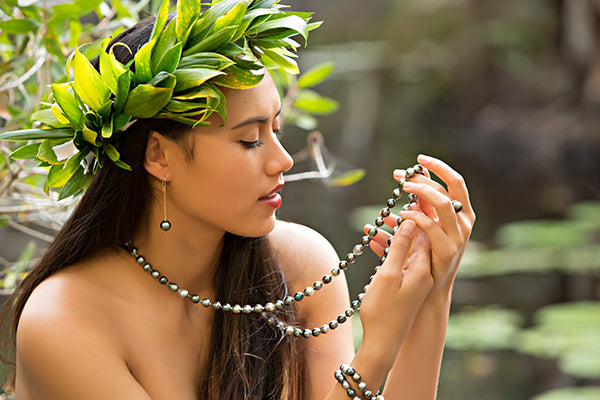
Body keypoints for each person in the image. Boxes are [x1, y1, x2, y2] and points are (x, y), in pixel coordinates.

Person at [0, 2, 475, 399]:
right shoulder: (64, 323)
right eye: (250, 141)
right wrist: (377, 347)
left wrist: (429, 298)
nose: (284, 160)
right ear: (158, 155)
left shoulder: (301, 267)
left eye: (277, 130)